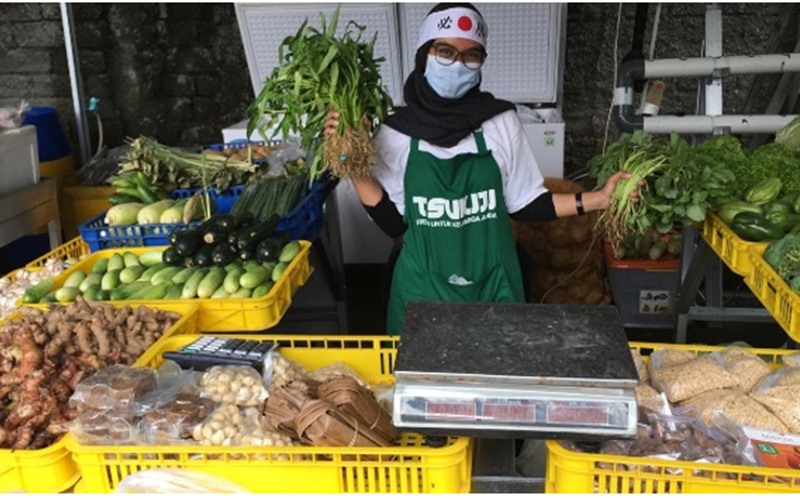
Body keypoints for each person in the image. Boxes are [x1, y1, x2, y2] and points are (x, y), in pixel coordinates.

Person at [325, 3, 639, 334]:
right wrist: (354, 163)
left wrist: (599, 199)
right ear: (424, 53)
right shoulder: (395, 133)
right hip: (422, 292)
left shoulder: (500, 122)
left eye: (471, 55)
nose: (458, 64)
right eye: (445, 51)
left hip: (494, 287)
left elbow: (526, 202)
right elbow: (393, 223)